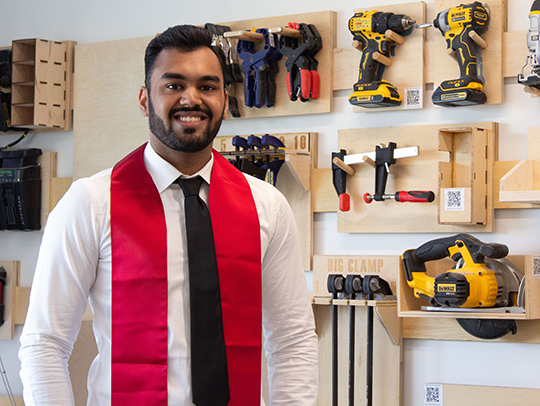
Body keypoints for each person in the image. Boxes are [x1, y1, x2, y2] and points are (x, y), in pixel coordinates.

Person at [19, 25, 318, 405]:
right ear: (145, 100)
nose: (191, 99)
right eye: (173, 85)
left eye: (207, 87)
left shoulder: (267, 205)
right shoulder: (92, 202)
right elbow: (45, 343)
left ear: (224, 100)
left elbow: (292, 341)